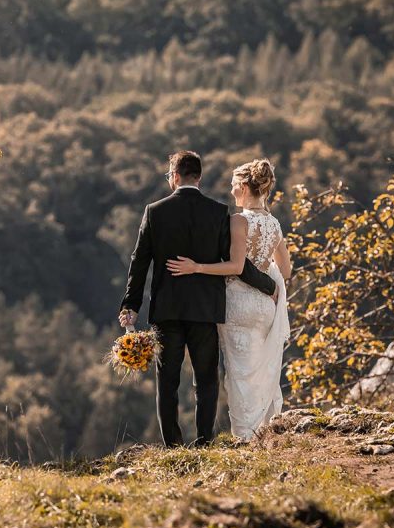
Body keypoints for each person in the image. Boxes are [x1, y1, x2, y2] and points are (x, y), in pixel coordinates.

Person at [117, 151, 277, 447]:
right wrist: (268, 285)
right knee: (206, 380)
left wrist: (130, 305)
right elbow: (235, 262)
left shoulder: (155, 211)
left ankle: (173, 445)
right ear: (198, 177)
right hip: (205, 308)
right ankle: (205, 441)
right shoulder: (217, 212)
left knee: (168, 383)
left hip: (168, 308)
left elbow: (140, 261)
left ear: (175, 176)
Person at [166, 159, 292, 441]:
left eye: (235, 184)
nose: (232, 189)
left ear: (245, 186)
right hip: (265, 307)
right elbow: (285, 270)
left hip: (239, 306)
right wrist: (267, 274)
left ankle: (247, 436)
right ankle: (267, 429)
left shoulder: (239, 220)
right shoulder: (274, 224)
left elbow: (235, 267)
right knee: (260, 368)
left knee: (239, 373)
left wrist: (196, 267)